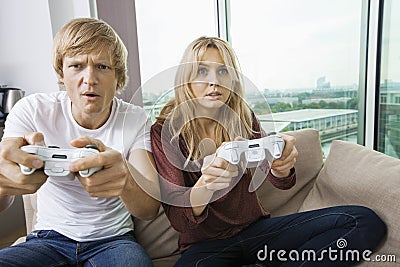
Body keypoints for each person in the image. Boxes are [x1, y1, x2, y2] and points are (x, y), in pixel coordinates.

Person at [150, 36, 387, 266]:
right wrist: (206, 185)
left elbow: (280, 180)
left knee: (363, 221)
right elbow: (181, 221)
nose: (215, 81)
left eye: (223, 71)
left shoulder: (243, 117)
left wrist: (281, 166)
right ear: (185, 79)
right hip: (205, 247)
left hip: (257, 232)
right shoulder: (165, 132)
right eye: (202, 71)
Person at [0, 18, 159, 266]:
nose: (89, 79)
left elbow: (149, 210)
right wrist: (3, 183)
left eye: (103, 67)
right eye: (76, 66)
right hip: (48, 239)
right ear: (62, 74)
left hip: (113, 241)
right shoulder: (32, 110)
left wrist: (125, 180)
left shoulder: (136, 119)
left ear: (118, 77)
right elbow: (3, 199)